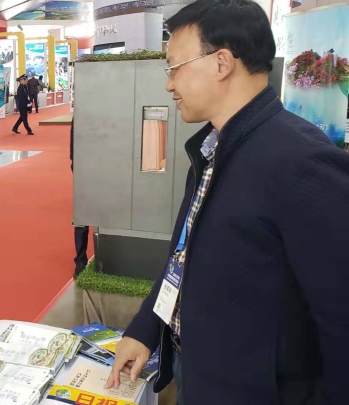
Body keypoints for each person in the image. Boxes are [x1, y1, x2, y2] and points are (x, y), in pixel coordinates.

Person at [106, 1, 349, 404]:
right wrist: (146, 328)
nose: (169, 85)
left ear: (221, 63)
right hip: (197, 371)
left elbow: (341, 322)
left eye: (174, 67)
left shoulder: (302, 162)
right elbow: (183, 258)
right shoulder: (211, 148)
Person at [70, 117, 89, 279]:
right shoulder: (80, 114)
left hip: (105, 166)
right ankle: (80, 261)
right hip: (83, 167)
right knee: (82, 216)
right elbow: (73, 143)